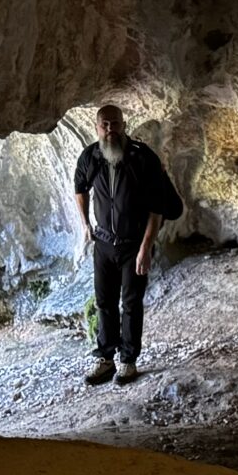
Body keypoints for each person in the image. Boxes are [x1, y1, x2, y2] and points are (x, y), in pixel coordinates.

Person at [69, 103, 182, 385]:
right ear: (96, 127)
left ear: (123, 124)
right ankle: (105, 359)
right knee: (105, 301)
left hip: (134, 245)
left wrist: (146, 248)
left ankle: (128, 361)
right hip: (104, 243)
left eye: (115, 123)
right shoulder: (90, 156)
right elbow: (80, 188)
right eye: (105, 124)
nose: (110, 129)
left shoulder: (142, 158)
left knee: (131, 303)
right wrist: (85, 225)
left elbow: (157, 208)